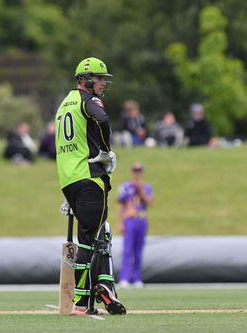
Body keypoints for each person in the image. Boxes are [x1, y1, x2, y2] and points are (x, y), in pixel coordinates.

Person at [57, 57, 126, 316]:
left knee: (98, 233)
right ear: (84, 79)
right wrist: (107, 151)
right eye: (98, 78)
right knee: (88, 241)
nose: (102, 84)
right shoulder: (89, 101)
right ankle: (81, 302)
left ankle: (103, 283)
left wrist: (69, 192)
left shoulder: (64, 104)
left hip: (70, 180)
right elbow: (103, 119)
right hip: (89, 178)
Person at [118, 162, 153, 288]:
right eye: (135, 170)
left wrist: (141, 190)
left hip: (141, 219)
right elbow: (121, 204)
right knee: (127, 250)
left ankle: (137, 277)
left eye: (139, 170)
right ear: (132, 172)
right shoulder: (126, 186)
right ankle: (125, 277)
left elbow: (150, 202)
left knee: (139, 250)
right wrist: (121, 222)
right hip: (130, 219)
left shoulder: (146, 187)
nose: (137, 173)